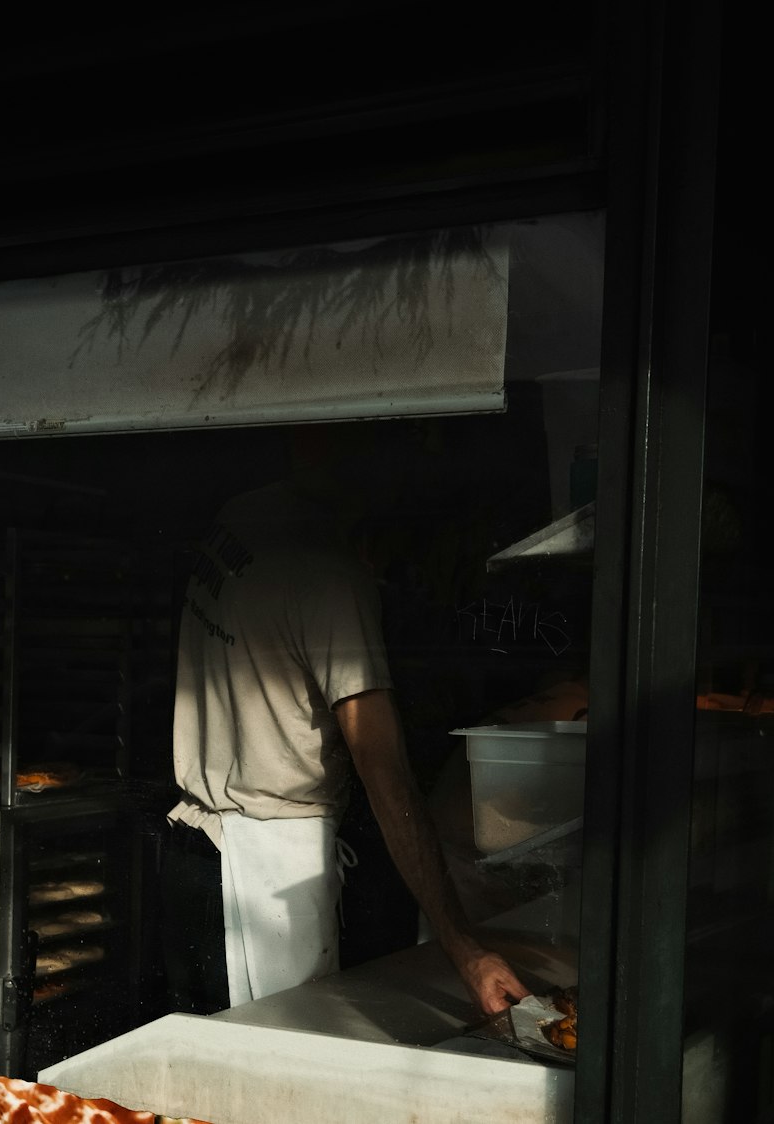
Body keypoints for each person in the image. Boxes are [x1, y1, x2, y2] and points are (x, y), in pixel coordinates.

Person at [160, 421, 530, 1018]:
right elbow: (384, 771)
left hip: (195, 851)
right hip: (268, 872)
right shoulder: (331, 580)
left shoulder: (246, 514)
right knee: (277, 1083)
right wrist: (464, 948)